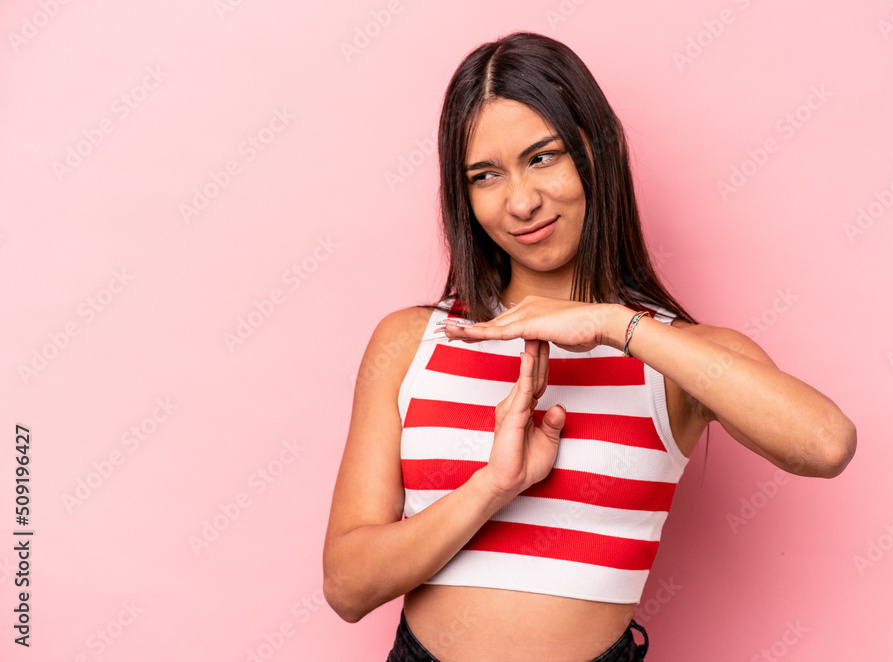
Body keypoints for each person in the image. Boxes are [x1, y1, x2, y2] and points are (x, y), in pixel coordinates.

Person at [323, 31, 857, 662]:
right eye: (485, 175)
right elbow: (348, 587)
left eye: (543, 157)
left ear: (595, 152)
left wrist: (613, 324)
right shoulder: (411, 342)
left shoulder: (671, 355)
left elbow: (825, 445)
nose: (520, 202)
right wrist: (493, 486)